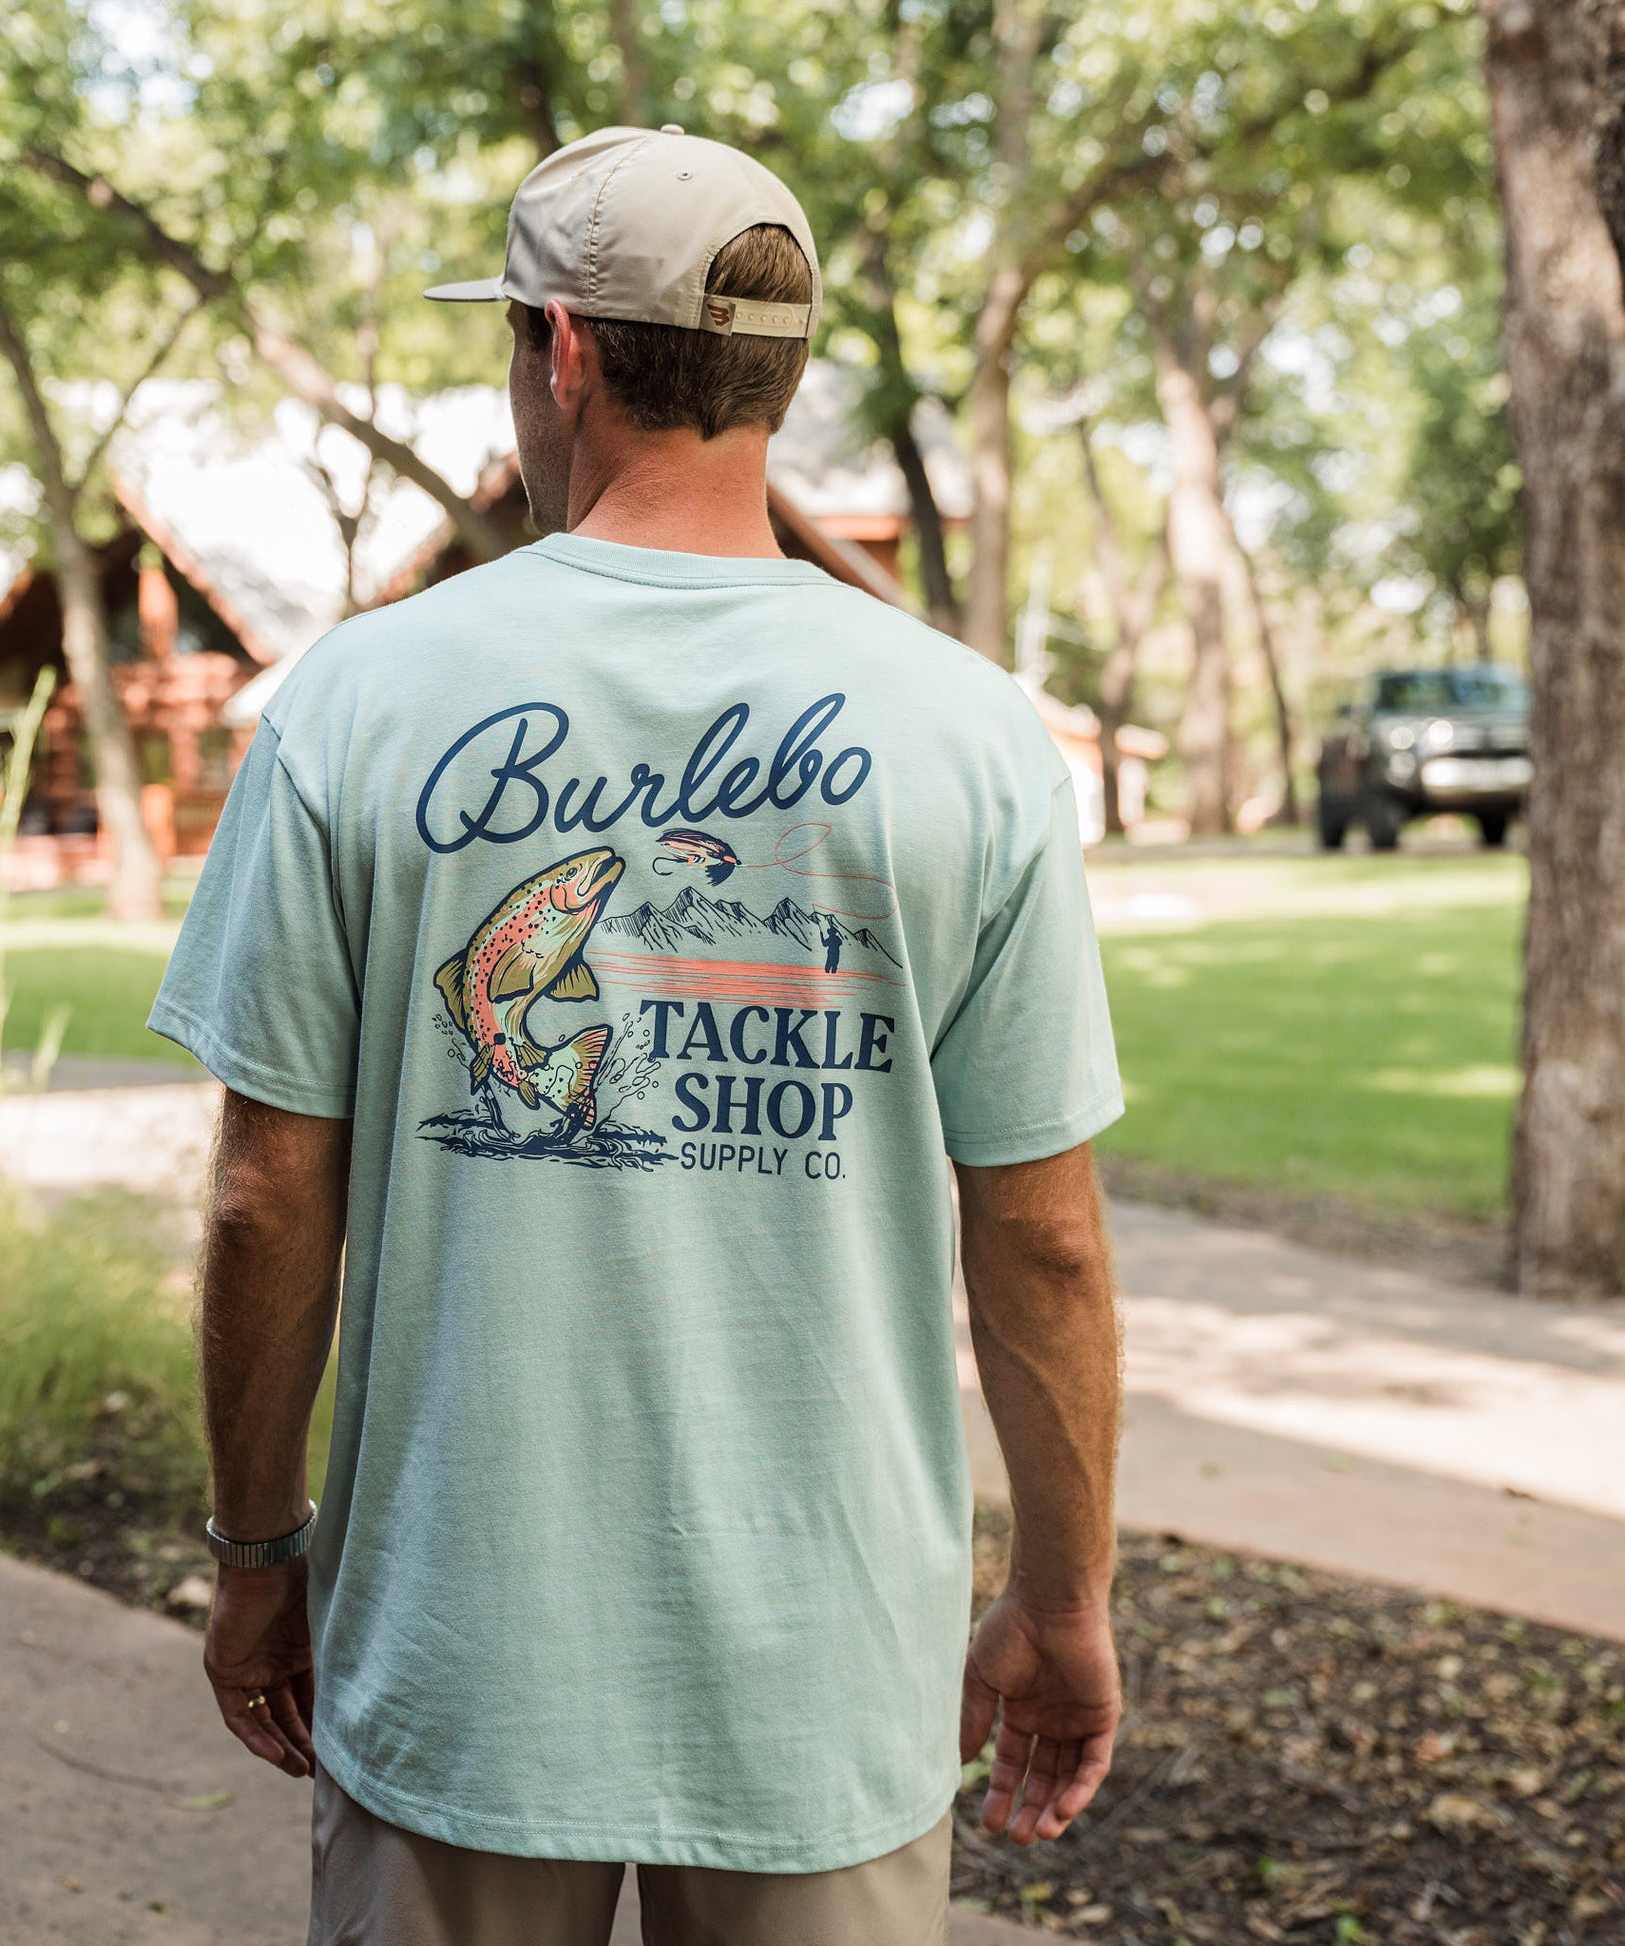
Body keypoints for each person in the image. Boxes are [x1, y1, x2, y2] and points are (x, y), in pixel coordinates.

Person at [150, 123, 1125, 1946]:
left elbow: (263, 1199)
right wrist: (1062, 1592)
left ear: (565, 350)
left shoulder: (359, 699)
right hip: (821, 1685)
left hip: (459, 1650)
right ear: (781, 370)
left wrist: (258, 1554)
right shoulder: (974, 733)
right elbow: (1047, 1234)